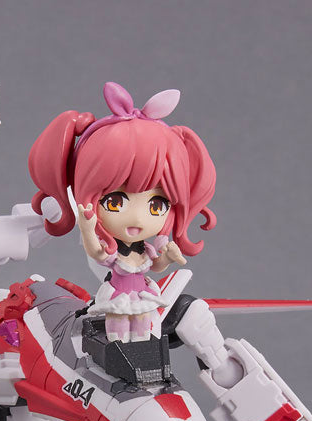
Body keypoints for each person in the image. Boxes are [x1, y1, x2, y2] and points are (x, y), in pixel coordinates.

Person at [28, 82, 216, 342]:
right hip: (118, 298)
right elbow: (97, 253)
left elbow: (156, 266)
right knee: (117, 334)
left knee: (144, 331)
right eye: (115, 202)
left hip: (142, 297)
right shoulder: (113, 251)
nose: (138, 218)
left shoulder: (143, 250)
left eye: (156, 205)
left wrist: (168, 258)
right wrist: (87, 229)